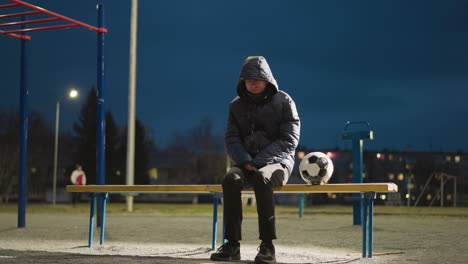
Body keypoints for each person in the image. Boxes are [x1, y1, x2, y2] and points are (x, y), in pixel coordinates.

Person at [210, 56, 300, 264]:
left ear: (267, 79)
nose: (252, 82)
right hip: (246, 162)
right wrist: (244, 159)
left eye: (257, 78)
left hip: (278, 163)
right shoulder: (236, 106)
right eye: (248, 78)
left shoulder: (285, 101)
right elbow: (231, 138)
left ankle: (267, 246)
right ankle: (232, 245)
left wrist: (259, 161)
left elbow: (289, 139)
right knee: (230, 180)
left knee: (262, 179)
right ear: (242, 81)